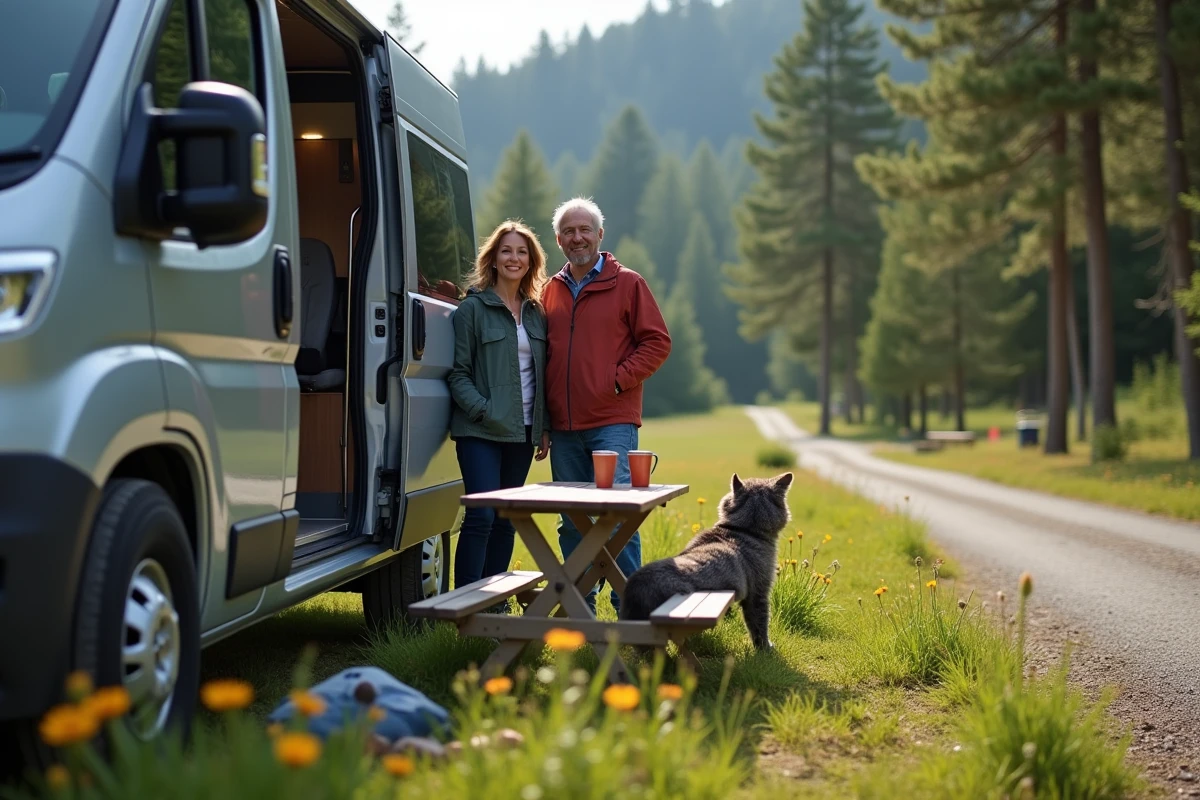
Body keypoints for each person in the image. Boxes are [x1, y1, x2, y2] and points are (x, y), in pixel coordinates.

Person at [542, 197, 672, 614]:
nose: (576, 237)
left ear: (600, 234)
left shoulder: (628, 283)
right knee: (571, 520)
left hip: (612, 422)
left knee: (618, 515)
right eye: (568, 231)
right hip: (563, 428)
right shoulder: (549, 290)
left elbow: (657, 342)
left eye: (584, 230)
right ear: (559, 239)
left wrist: (615, 381)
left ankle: (629, 606)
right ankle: (581, 609)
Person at [447, 220, 551, 597]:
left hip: (523, 431)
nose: (514, 258)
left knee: (507, 519)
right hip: (480, 431)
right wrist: (485, 411)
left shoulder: (538, 313)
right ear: (493, 258)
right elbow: (457, 375)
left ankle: (494, 603)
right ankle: (465, 606)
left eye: (522, 252)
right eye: (506, 250)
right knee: (481, 516)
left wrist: (543, 426)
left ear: (531, 261)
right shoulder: (471, 309)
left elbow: (543, 375)